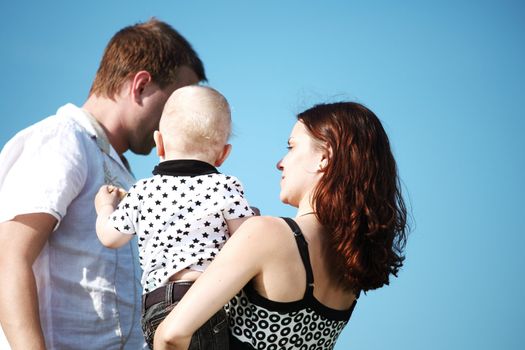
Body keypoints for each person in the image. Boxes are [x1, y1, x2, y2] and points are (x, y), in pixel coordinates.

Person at [0, 18, 206, 350]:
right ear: (140, 85)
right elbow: (8, 256)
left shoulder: (121, 171)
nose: (178, 123)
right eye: (175, 106)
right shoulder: (62, 140)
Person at [152, 101, 408, 350]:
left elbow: (171, 336)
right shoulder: (350, 268)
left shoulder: (268, 234)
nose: (280, 163)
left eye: (291, 147)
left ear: (324, 158)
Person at [94, 85, 255, 349]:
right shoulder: (224, 186)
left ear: (159, 143)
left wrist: (104, 208)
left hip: (155, 308)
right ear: (224, 154)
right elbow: (249, 239)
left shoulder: (142, 191)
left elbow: (110, 237)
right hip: (202, 305)